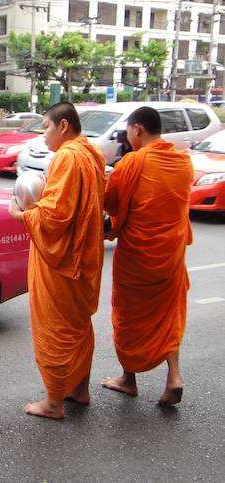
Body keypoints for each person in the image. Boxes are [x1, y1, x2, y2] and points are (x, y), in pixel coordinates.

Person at [8, 101, 106, 420]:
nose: (44, 136)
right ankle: (80, 388)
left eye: (47, 127)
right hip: (85, 258)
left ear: (63, 126)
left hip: (62, 260)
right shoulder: (92, 153)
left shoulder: (67, 155)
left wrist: (22, 214)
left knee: (56, 327)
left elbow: (54, 216)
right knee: (78, 326)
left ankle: (53, 402)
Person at [101, 107, 192, 406]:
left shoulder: (133, 163)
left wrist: (106, 179)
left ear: (137, 129)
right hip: (170, 255)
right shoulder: (182, 162)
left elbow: (111, 202)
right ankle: (174, 377)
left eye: (128, 130)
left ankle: (128, 379)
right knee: (169, 314)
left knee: (128, 315)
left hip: (138, 257)